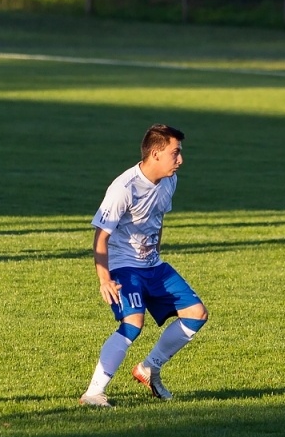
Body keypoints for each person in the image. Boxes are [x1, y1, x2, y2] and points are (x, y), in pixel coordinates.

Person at [79, 124, 208, 407]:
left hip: (153, 266)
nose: (180, 160)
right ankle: (93, 393)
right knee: (133, 323)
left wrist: (154, 253)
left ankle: (149, 368)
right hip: (124, 267)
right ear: (155, 153)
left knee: (197, 314)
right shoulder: (123, 188)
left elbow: (157, 218)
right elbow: (101, 237)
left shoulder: (169, 181)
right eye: (175, 153)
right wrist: (104, 279)